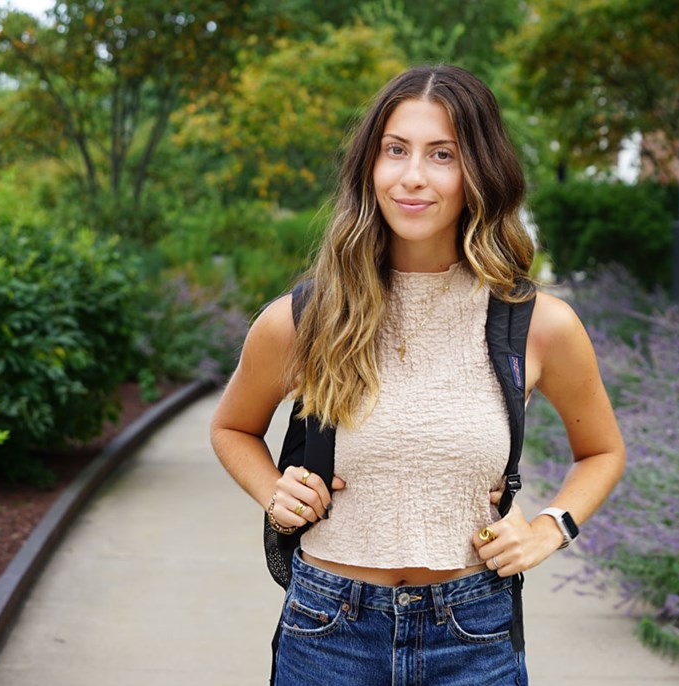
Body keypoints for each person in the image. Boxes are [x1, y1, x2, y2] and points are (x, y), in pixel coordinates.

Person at [209, 64, 625, 685]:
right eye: (395, 150)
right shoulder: (303, 318)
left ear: (479, 173)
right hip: (329, 633)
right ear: (368, 168)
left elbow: (602, 451)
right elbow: (232, 429)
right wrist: (274, 490)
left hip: (473, 635)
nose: (412, 177)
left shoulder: (537, 324)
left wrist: (549, 528)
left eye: (442, 155)